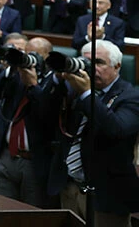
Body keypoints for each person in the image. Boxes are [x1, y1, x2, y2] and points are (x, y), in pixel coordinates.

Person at [46, 40, 139, 225]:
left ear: (117, 66)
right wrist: (58, 81)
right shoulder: (73, 89)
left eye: (99, 62)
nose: (91, 68)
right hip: (69, 186)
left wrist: (87, 94)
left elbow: (117, 129)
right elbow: (43, 116)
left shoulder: (131, 96)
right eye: (87, 62)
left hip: (106, 196)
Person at [0, 36, 55, 208]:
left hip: (34, 161)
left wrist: (33, 85)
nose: (30, 59)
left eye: (36, 55)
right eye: (27, 54)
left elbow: (47, 115)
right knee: (0, 209)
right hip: (7, 155)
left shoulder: (54, 82)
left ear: (48, 57)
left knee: (30, 214)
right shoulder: (17, 76)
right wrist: (11, 69)